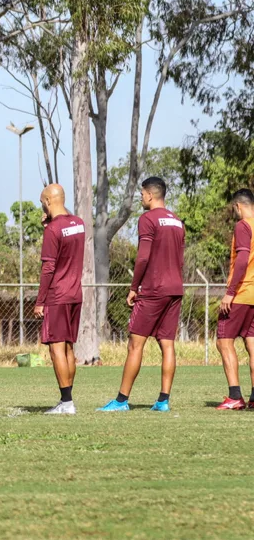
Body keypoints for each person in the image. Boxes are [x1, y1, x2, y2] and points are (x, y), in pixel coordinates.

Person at [102, 177, 186, 413]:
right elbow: (179, 259)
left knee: (135, 345)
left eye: (141, 194)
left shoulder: (147, 219)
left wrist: (133, 287)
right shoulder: (178, 222)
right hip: (175, 288)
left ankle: (120, 401)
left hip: (153, 289)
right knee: (167, 345)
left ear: (150, 195)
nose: (141, 198)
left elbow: (143, 257)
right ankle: (163, 401)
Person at [33, 184, 86, 415]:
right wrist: (49, 225)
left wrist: (40, 300)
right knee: (68, 348)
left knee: (56, 349)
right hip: (75, 293)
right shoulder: (78, 223)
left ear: (47, 200)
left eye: (42, 201)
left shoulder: (52, 230)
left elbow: (49, 267)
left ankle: (66, 402)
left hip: (57, 294)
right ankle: (67, 399)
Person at [217, 190, 254, 410]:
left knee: (224, 341)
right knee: (252, 343)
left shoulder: (243, 226)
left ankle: (234, 396)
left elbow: (242, 259)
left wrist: (230, 292)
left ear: (238, 206)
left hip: (241, 292)